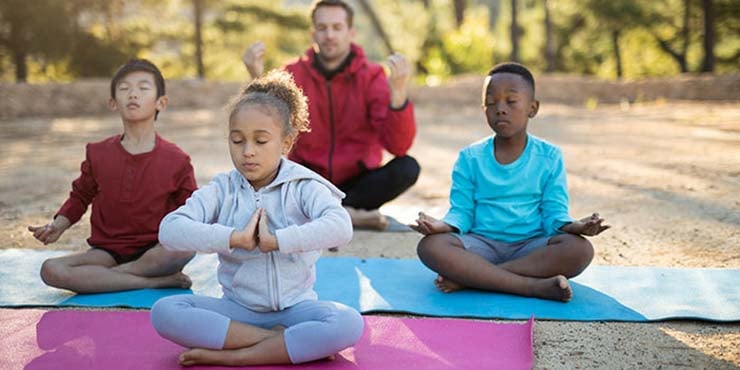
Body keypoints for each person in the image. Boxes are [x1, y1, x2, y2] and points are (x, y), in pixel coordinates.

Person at [150, 70, 363, 366]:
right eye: (237, 141)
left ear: (286, 142)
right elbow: (170, 230)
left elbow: (341, 227)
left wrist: (277, 241)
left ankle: (235, 356)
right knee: (164, 312)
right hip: (238, 311)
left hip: (296, 310)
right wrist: (233, 239)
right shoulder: (222, 189)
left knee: (349, 323)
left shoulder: (304, 185)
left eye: (261, 141)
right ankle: (277, 344)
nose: (247, 152)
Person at [411, 62, 609, 302]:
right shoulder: (470, 157)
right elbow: (462, 212)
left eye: (511, 101)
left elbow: (554, 213)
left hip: (531, 248)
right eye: (492, 103)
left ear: (532, 108)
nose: (500, 109)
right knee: (431, 247)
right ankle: (533, 287)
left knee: (580, 250)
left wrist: (578, 227)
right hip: (480, 246)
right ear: (484, 108)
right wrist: (444, 227)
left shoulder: (549, 156)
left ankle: (473, 278)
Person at [242, 0, 420, 231]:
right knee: (260, 168)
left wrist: (398, 94)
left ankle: (324, 212)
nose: (329, 35)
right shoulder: (291, 74)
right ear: (312, 33)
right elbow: (265, 128)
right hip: (307, 180)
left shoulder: (372, 75)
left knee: (407, 167)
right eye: (323, 28)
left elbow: (399, 145)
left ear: (351, 32)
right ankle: (346, 215)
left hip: (357, 184)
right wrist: (256, 79)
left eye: (337, 27)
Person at [27, 59, 196, 293]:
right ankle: (154, 282)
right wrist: (58, 226)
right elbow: (80, 196)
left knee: (184, 249)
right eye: (125, 89)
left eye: (143, 88)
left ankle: (100, 280)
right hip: (106, 253)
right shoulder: (97, 152)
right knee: (50, 269)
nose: (133, 94)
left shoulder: (177, 159)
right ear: (113, 102)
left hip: (156, 250)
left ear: (161, 102)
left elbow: (191, 210)